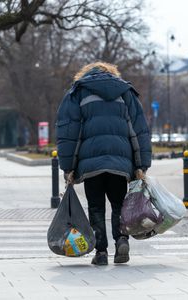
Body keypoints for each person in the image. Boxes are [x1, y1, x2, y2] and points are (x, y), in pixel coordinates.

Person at [56, 62, 151, 265]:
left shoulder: (78, 93)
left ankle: (100, 252)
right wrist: (141, 164)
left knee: (96, 207)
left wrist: (68, 167)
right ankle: (121, 241)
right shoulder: (125, 92)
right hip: (120, 163)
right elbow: (139, 129)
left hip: (91, 165)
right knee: (119, 205)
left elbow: (68, 132)